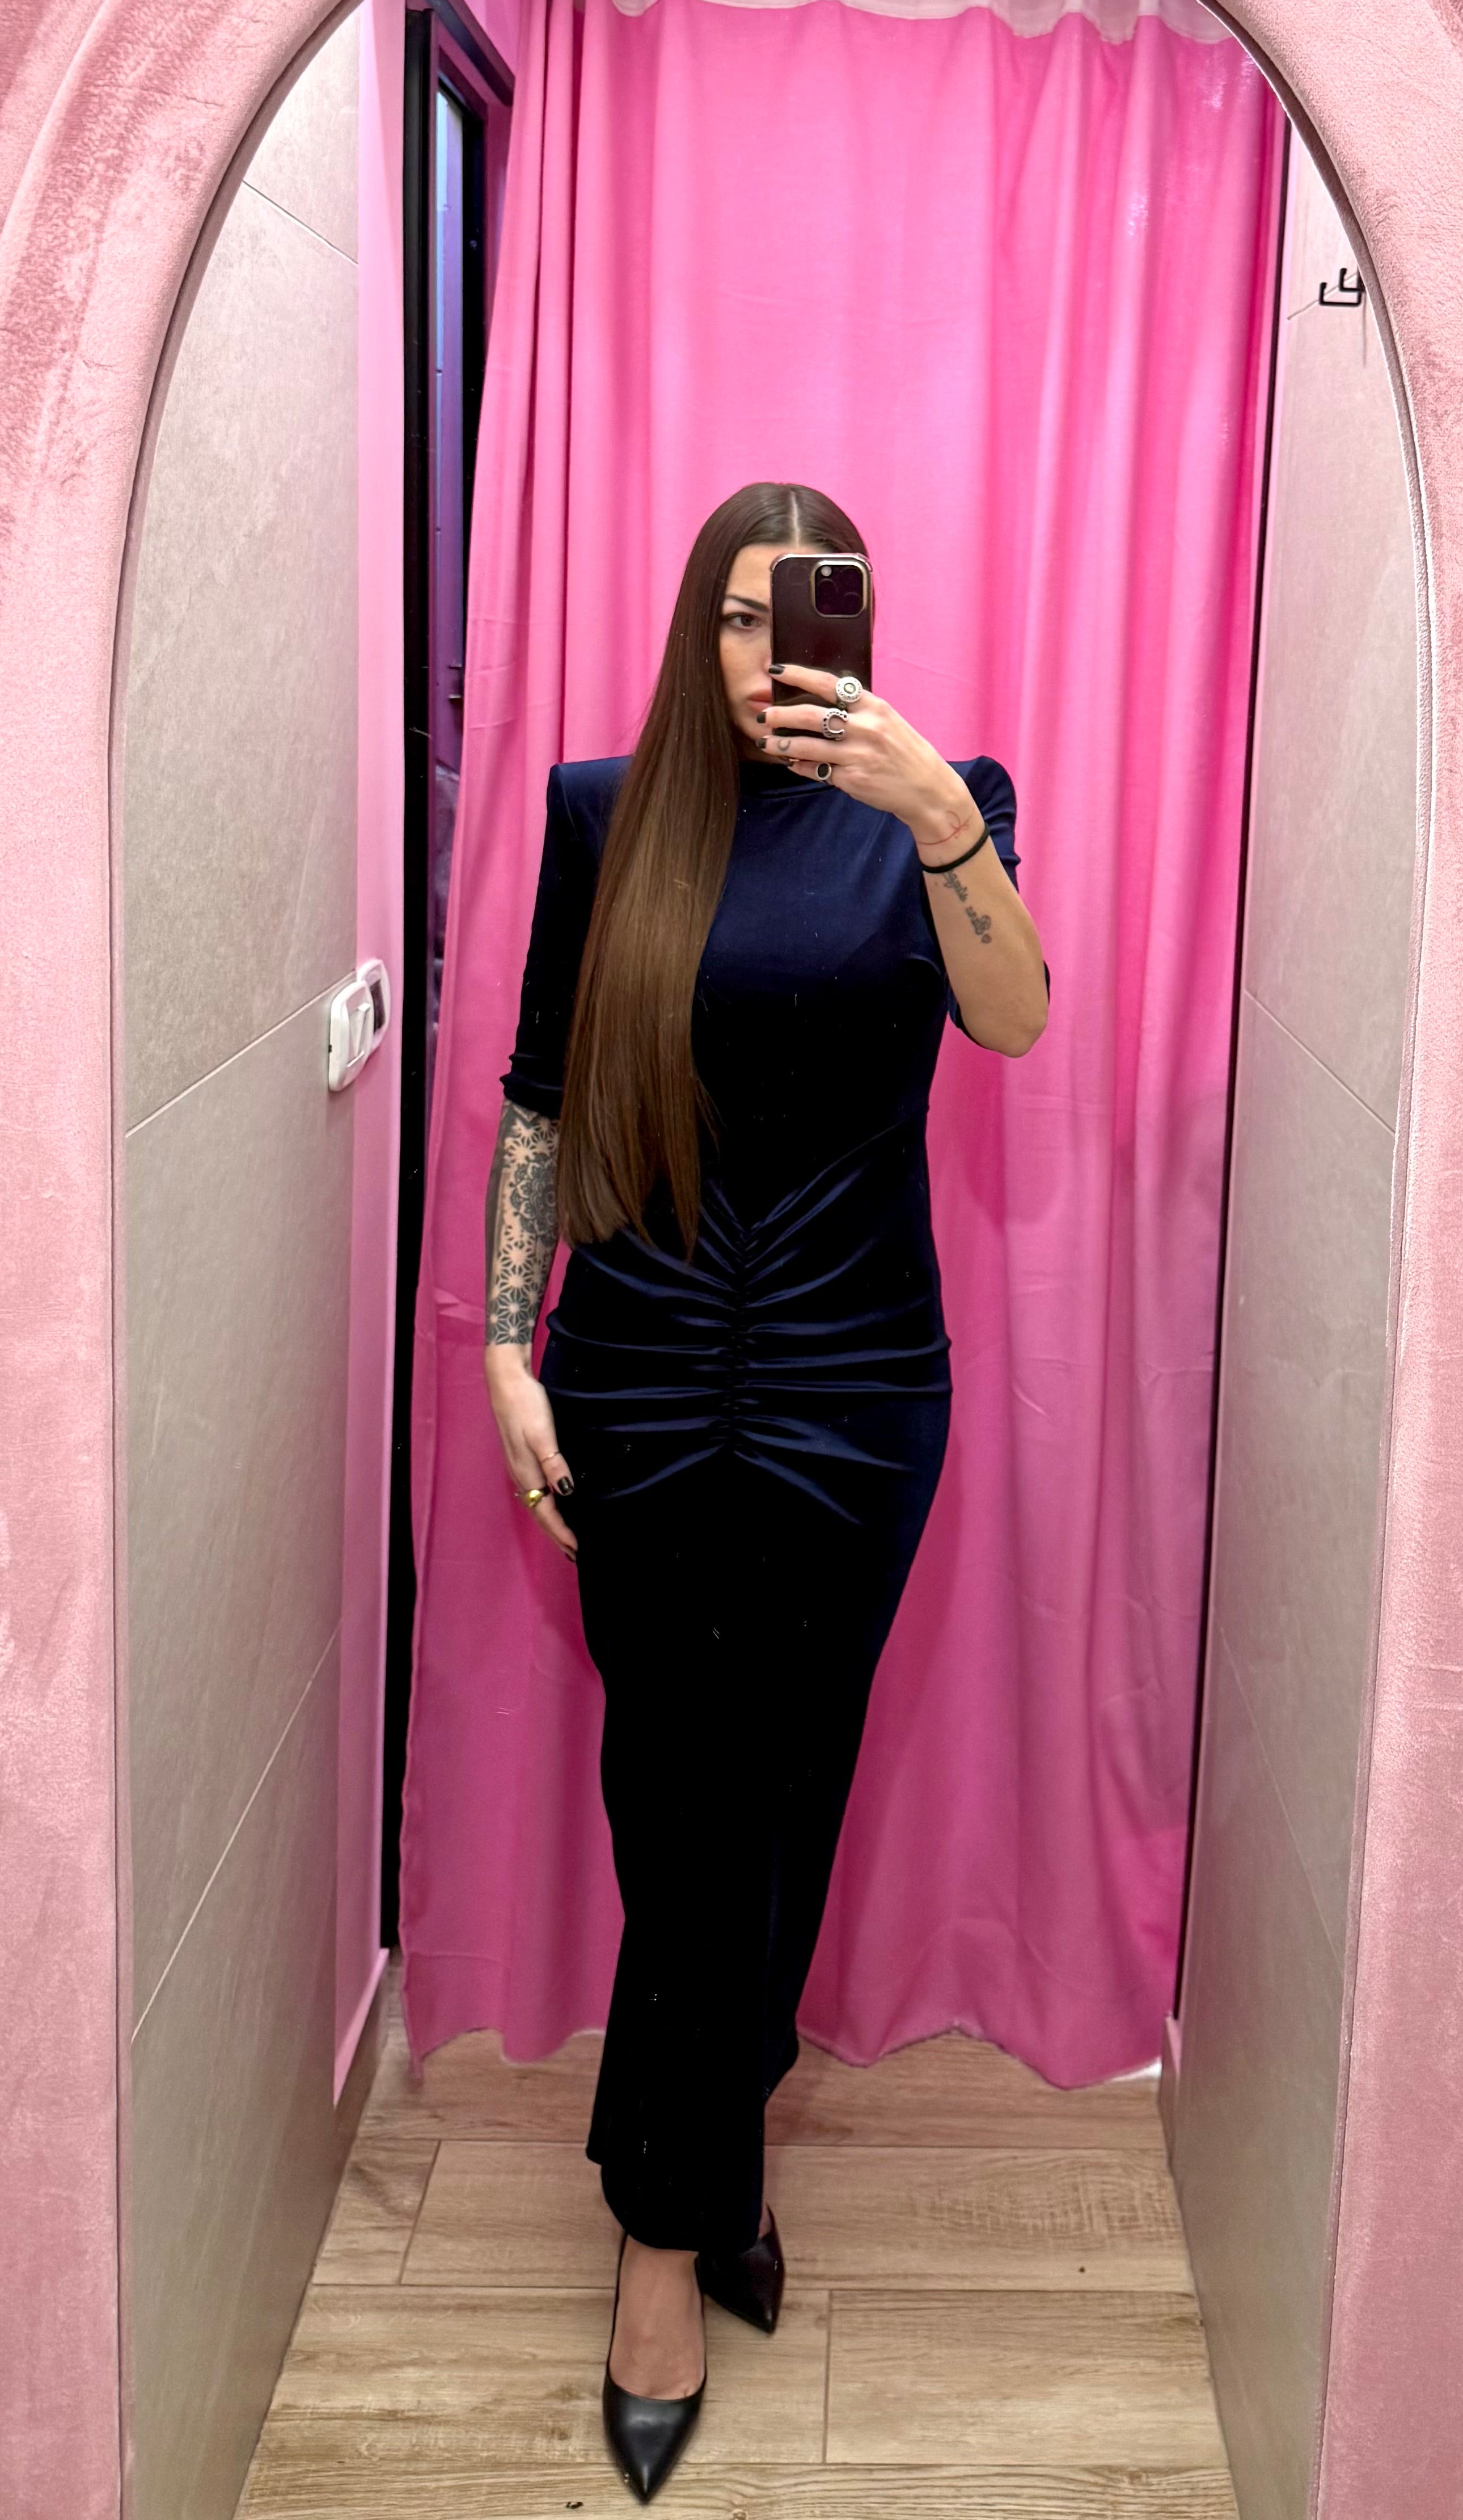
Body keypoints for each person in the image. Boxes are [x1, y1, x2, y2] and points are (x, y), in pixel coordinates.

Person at [481, 480, 1049, 2501]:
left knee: (783, 1797)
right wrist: (499, 1343)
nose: (764, 652)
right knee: (678, 1800)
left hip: (854, 1385)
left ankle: (692, 2170)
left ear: (857, 627)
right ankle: (677, 2220)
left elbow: (1015, 1018)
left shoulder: (936, 807)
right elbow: (542, 1091)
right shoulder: (599, 812)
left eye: (801, 612)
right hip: (637, 1377)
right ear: (692, 627)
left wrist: (941, 816)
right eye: (735, 614)